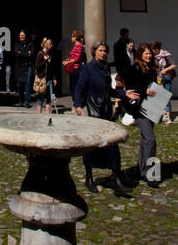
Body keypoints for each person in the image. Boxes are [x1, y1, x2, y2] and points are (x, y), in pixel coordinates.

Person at [73, 42, 130, 196]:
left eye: (105, 51)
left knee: (112, 143)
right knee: (92, 145)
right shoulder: (87, 69)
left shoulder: (106, 68)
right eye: (101, 50)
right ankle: (89, 177)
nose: (104, 53)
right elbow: (79, 88)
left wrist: (124, 94)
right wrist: (77, 105)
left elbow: (109, 90)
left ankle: (117, 177)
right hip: (93, 109)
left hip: (105, 109)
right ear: (94, 52)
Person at [124, 41, 159, 184]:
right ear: (140, 54)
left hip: (150, 106)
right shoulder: (135, 68)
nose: (149, 56)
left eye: (150, 53)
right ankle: (149, 174)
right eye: (146, 53)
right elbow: (130, 86)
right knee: (151, 140)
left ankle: (140, 170)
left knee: (146, 140)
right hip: (139, 108)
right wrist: (144, 90)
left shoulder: (151, 69)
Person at [152, 40, 176, 123]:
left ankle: (168, 116)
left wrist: (165, 70)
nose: (152, 52)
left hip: (167, 77)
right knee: (159, 95)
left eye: (153, 50)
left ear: (157, 49)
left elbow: (173, 65)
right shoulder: (153, 56)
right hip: (158, 77)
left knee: (166, 95)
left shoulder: (165, 54)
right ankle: (158, 114)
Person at [32, 37, 56, 116]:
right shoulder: (40, 54)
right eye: (50, 44)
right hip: (42, 79)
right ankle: (39, 114)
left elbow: (51, 67)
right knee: (40, 97)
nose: (51, 45)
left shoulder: (49, 54)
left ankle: (48, 114)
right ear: (46, 45)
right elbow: (37, 66)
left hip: (49, 79)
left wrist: (54, 78)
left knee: (49, 98)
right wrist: (44, 60)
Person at [63, 29, 86, 101]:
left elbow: (77, 58)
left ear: (75, 37)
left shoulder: (79, 46)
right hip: (73, 69)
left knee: (75, 87)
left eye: (72, 36)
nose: (71, 38)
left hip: (76, 69)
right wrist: (67, 60)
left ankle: (76, 103)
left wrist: (68, 62)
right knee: (73, 87)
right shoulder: (76, 46)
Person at [13, 31, 35, 106]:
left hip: (27, 66)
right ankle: (20, 100)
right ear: (19, 36)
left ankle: (27, 101)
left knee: (27, 83)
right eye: (21, 35)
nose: (22, 37)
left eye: (23, 35)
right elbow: (16, 53)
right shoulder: (16, 44)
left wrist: (21, 52)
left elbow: (32, 53)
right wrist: (26, 53)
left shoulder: (30, 43)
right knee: (19, 84)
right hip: (19, 67)